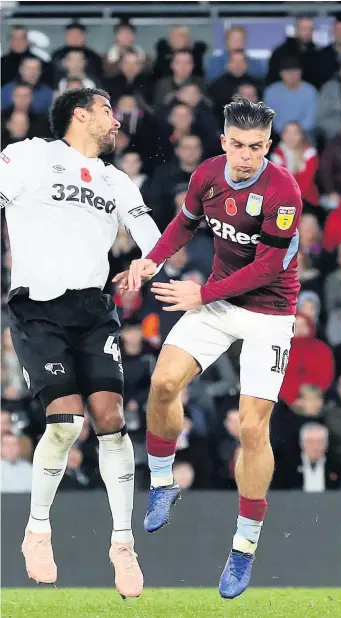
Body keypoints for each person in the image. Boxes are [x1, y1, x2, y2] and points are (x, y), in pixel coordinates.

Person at [113, 96, 302, 598]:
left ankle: (243, 546)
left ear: (268, 145)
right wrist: (152, 259)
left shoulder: (283, 189)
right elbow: (184, 223)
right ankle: (161, 481)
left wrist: (200, 293)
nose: (246, 156)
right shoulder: (208, 174)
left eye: (256, 147)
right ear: (223, 142)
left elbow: (268, 268)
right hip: (217, 302)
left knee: (252, 427)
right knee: (162, 383)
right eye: (238, 145)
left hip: (269, 313)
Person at [0, 87, 163, 598]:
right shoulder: (30, 155)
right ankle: (37, 530)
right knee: (68, 422)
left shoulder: (117, 180)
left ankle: (122, 543)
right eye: (108, 111)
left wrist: (146, 261)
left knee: (112, 420)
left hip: (94, 310)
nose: (116, 121)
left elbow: (153, 235)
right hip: (38, 308)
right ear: (81, 114)